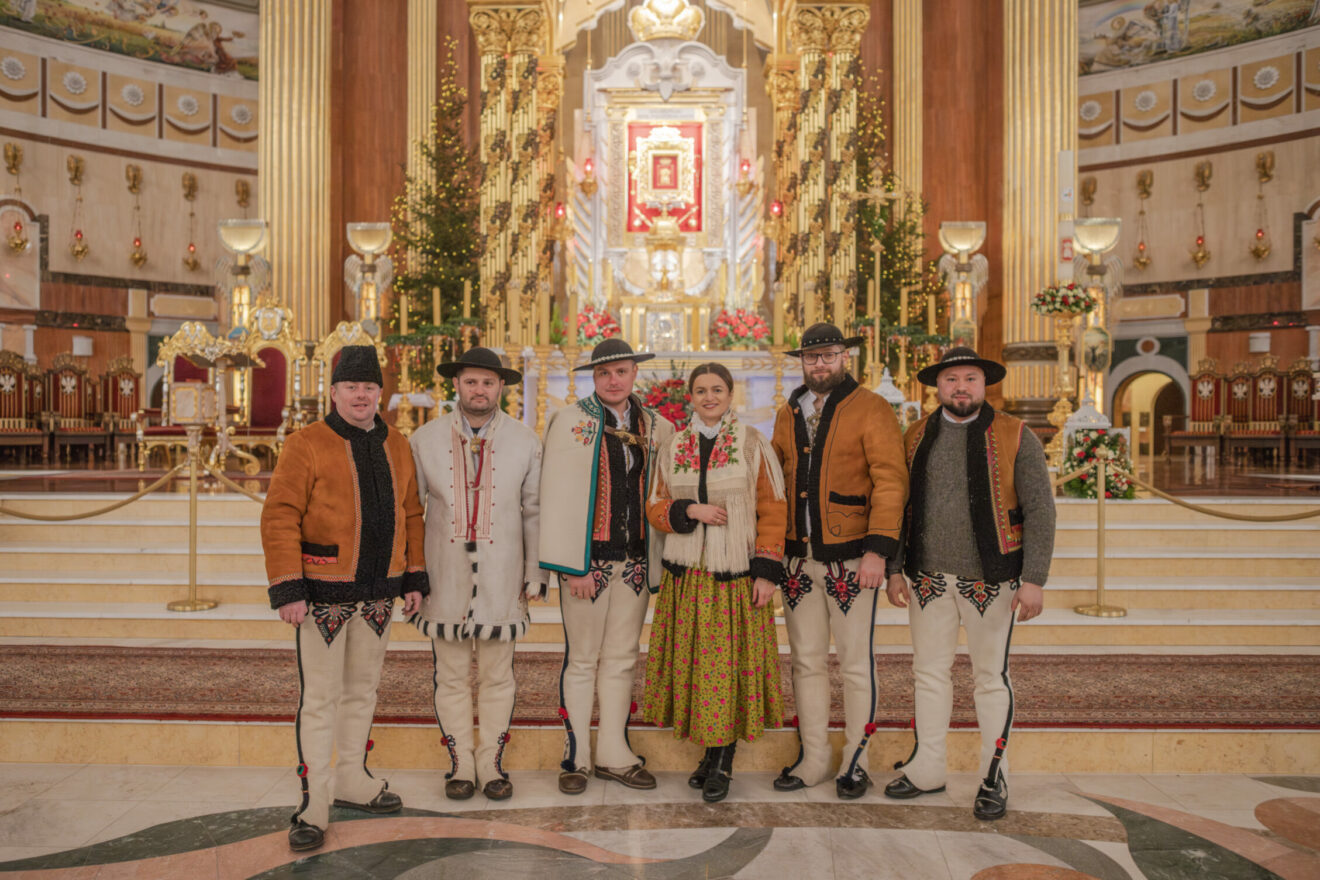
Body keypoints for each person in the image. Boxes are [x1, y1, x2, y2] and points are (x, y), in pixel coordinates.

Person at [260, 345, 429, 852]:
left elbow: (412, 513)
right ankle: (314, 803)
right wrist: (289, 586)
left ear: (380, 393)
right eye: (352, 387)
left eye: (369, 387)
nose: (361, 395)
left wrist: (414, 577)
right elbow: (280, 515)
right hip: (322, 594)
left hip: (379, 596)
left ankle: (353, 778)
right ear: (333, 392)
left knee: (363, 691)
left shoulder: (397, 443)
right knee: (320, 698)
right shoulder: (305, 443)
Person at [883, 346, 1055, 821]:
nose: (961, 387)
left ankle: (994, 776)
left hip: (992, 579)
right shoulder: (916, 434)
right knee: (928, 673)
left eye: (970, 379)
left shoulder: (1015, 434)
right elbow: (899, 504)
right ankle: (927, 769)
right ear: (937, 386)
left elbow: (1041, 509)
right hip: (928, 577)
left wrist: (1034, 578)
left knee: (990, 679)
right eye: (952, 379)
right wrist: (895, 567)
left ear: (984, 384)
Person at [770, 322, 908, 799]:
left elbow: (890, 481)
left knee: (854, 663)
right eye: (812, 357)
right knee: (805, 662)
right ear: (802, 362)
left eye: (829, 355)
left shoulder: (871, 407)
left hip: (852, 557)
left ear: (845, 357)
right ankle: (813, 757)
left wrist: (877, 550)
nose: (820, 364)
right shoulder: (788, 411)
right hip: (797, 558)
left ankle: (855, 760)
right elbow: (776, 476)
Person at [642, 363, 788, 803]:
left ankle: (723, 760)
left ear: (730, 394)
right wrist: (688, 510)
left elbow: (773, 508)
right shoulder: (674, 445)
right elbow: (655, 504)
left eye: (718, 390)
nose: (709, 397)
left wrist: (767, 571)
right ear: (690, 396)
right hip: (687, 576)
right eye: (702, 390)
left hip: (733, 576)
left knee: (725, 671)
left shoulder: (751, 443)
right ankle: (708, 754)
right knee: (697, 669)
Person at [539, 337, 675, 795]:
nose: (613, 380)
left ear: (635, 373)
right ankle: (576, 756)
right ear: (593, 378)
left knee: (621, 658)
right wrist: (571, 565)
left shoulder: (659, 427)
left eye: (621, 371)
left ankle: (615, 754)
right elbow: (554, 494)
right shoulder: (569, 421)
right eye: (603, 373)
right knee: (582, 659)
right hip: (587, 564)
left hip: (635, 561)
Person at [408, 347, 545, 802]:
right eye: (471, 382)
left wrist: (534, 572)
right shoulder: (424, 439)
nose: (479, 390)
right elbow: (412, 512)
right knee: (449, 676)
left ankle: (490, 762)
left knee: (498, 676)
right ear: (456, 385)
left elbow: (534, 511)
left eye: (488, 382)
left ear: (501, 386)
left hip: (502, 575)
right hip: (443, 574)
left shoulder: (525, 440)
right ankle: (461, 763)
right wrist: (412, 574)